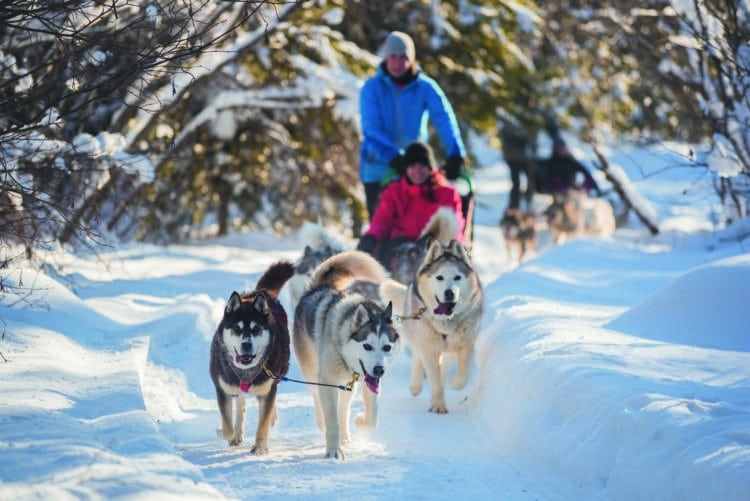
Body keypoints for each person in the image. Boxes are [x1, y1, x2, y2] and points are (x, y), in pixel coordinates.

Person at [359, 31, 466, 221]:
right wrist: (394, 157)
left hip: (414, 170)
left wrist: (455, 153)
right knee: (381, 228)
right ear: (385, 59)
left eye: (403, 58)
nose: (397, 63)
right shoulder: (372, 88)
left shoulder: (425, 87)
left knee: (412, 227)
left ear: (412, 59)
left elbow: (444, 118)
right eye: (393, 57)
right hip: (378, 168)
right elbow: (371, 129)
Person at [357, 141, 465, 265]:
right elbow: (382, 221)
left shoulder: (446, 194)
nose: (417, 171)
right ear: (406, 169)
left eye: (422, 166)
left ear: (430, 168)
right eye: (412, 166)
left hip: (434, 252)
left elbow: (454, 229)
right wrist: (371, 237)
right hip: (399, 248)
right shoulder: (394, 192)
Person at [498, 96, 564, 210]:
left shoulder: (532, 116)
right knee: (519, 182)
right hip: (517, 155)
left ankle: (524, 206)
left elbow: (550, 125)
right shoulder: (515, 116)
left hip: (526, 156)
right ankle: (516, 208)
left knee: (530, 182)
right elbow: (506, 135)